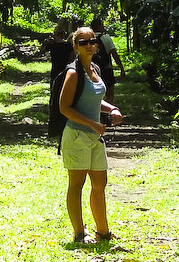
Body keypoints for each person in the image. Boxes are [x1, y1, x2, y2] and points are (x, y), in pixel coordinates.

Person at [59, 26, 124, 244]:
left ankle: (103, 232)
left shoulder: (95, 68)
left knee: (99, 183)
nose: (89, 46)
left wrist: (112, 108)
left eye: (92, 41)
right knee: (76, 184)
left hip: (95, 137)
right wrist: (92, 124)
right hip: (77, 135)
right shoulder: (73, 73)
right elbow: (64, 108)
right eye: (83, 42)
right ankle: (79, 234)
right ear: (75, 46)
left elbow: (95, 99)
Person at [90, 17, 127, 104]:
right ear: (99, 26)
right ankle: (106, 110)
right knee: (110, 94)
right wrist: (121, 68)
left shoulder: (88, 40)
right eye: (102, 25)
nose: (104, 27)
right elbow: (114, 54)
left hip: (92, 70)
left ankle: (98, 109)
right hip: (106, 69)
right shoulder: (106, 38)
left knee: (95, 95)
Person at [41, 18, 75, 84]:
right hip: (66, 69)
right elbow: (72, 58)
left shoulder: (52, 45)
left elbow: (42, 51)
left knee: (54, 86)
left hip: (55, 70)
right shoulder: (68, 45)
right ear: (63, 34)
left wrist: (45, 42)